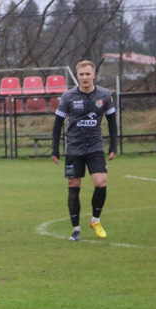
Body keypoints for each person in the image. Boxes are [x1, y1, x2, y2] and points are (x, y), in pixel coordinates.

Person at [51, 60, 117, 241]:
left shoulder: (104, 95)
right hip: (74, 148)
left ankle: (95, 220)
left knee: (101, 182)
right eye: (81, 74)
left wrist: (113, 147)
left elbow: (112, 123)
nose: (85, 77)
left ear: (94, 75)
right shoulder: (68, 97)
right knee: (74, 186)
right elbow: (57, 125)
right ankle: (76, 229)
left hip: (95, 147)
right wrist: (55, 150)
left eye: (88, 74)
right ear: (77, 76)